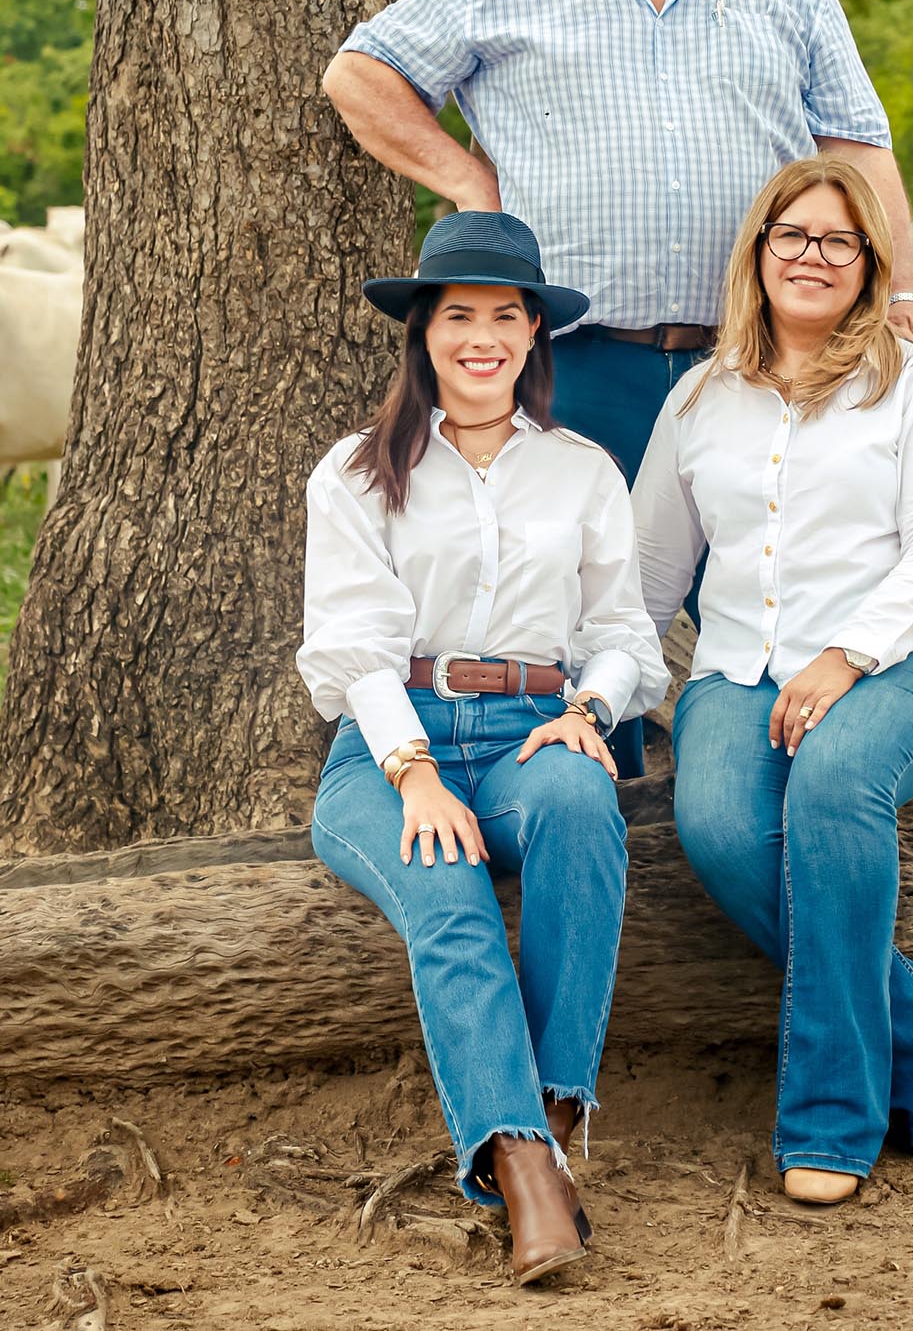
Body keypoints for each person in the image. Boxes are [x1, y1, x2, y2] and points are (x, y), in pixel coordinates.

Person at [322, 0, 913, 776]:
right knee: (574, 604)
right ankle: (572, 804)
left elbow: (858, 148)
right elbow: (358, 75)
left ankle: (805, 791)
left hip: (755, 364)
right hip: (576, 360)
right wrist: (473, 183)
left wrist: (905, 295)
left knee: (773, 599)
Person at [297, 210, 669, 1283]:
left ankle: (546, 1111)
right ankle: (524, 1167)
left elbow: (620, 637)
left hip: (529, 727)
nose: (482, 337)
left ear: (532, 336)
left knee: (577, 805)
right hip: (385, 745)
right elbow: (351, 646)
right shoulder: (358, 474)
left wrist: (591, 712)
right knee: (447, 885)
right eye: (458, 315)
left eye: (506, 316)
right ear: (421, 335)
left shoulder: (582, 471)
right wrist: (413, 776)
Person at [631, 155, 913, 1203]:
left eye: (838, 242)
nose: (811, 256)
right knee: (715, 827)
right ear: (758, 253)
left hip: (910, 663)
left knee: (834, 784)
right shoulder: (700, 399)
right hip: (739, 673)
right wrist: (588, 690)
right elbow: (650, 575)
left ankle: (829, 1122)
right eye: (791, 236)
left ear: (869, 265)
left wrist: (848, 655)